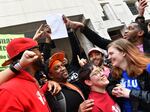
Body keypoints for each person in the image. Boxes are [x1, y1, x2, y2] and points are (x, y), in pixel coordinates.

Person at [0, 38, 53, 111]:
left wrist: (48, 84)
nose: (42, 53)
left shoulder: (32, 81)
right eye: (38, 49)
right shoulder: (9, 92)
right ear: (28, 55)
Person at [106, 38, 150, 112]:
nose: (109, 57)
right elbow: (109, 85)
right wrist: (113, 90)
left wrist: (130, 93)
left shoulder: (147, 68)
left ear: (123, 52)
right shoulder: (114, 73)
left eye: (111, 53)